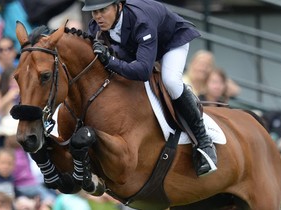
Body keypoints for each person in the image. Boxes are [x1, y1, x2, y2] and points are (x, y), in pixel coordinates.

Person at [82, 0, 216, 176]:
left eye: (102, 10)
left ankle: (204, 141)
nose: (98, 16)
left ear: (119, 6)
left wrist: (110, 61)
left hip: (170, 43)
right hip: (138, 48)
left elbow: (143, 71)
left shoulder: (141, 20)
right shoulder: (96, 27)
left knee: (171, 81)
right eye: (94, 12)